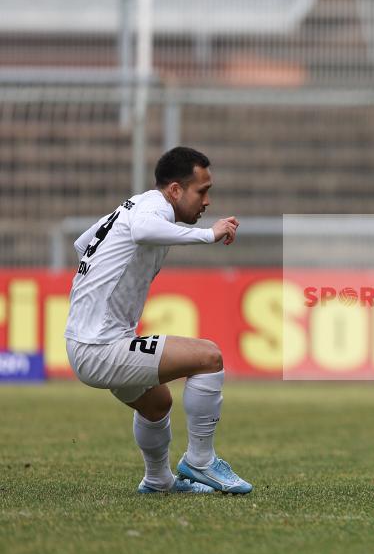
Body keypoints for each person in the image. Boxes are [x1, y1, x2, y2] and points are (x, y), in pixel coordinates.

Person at [64, 146, 252, 494]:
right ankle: (200, 462)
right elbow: (142, 231)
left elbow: (82, 243)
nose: (207, 201)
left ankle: (157, 481)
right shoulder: (153, 210)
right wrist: (208, 234)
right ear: (175, 190)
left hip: (85, 341)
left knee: (157, 403)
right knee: (208, 357)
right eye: (202, 191)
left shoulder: (133, 204)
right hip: (101, 347)